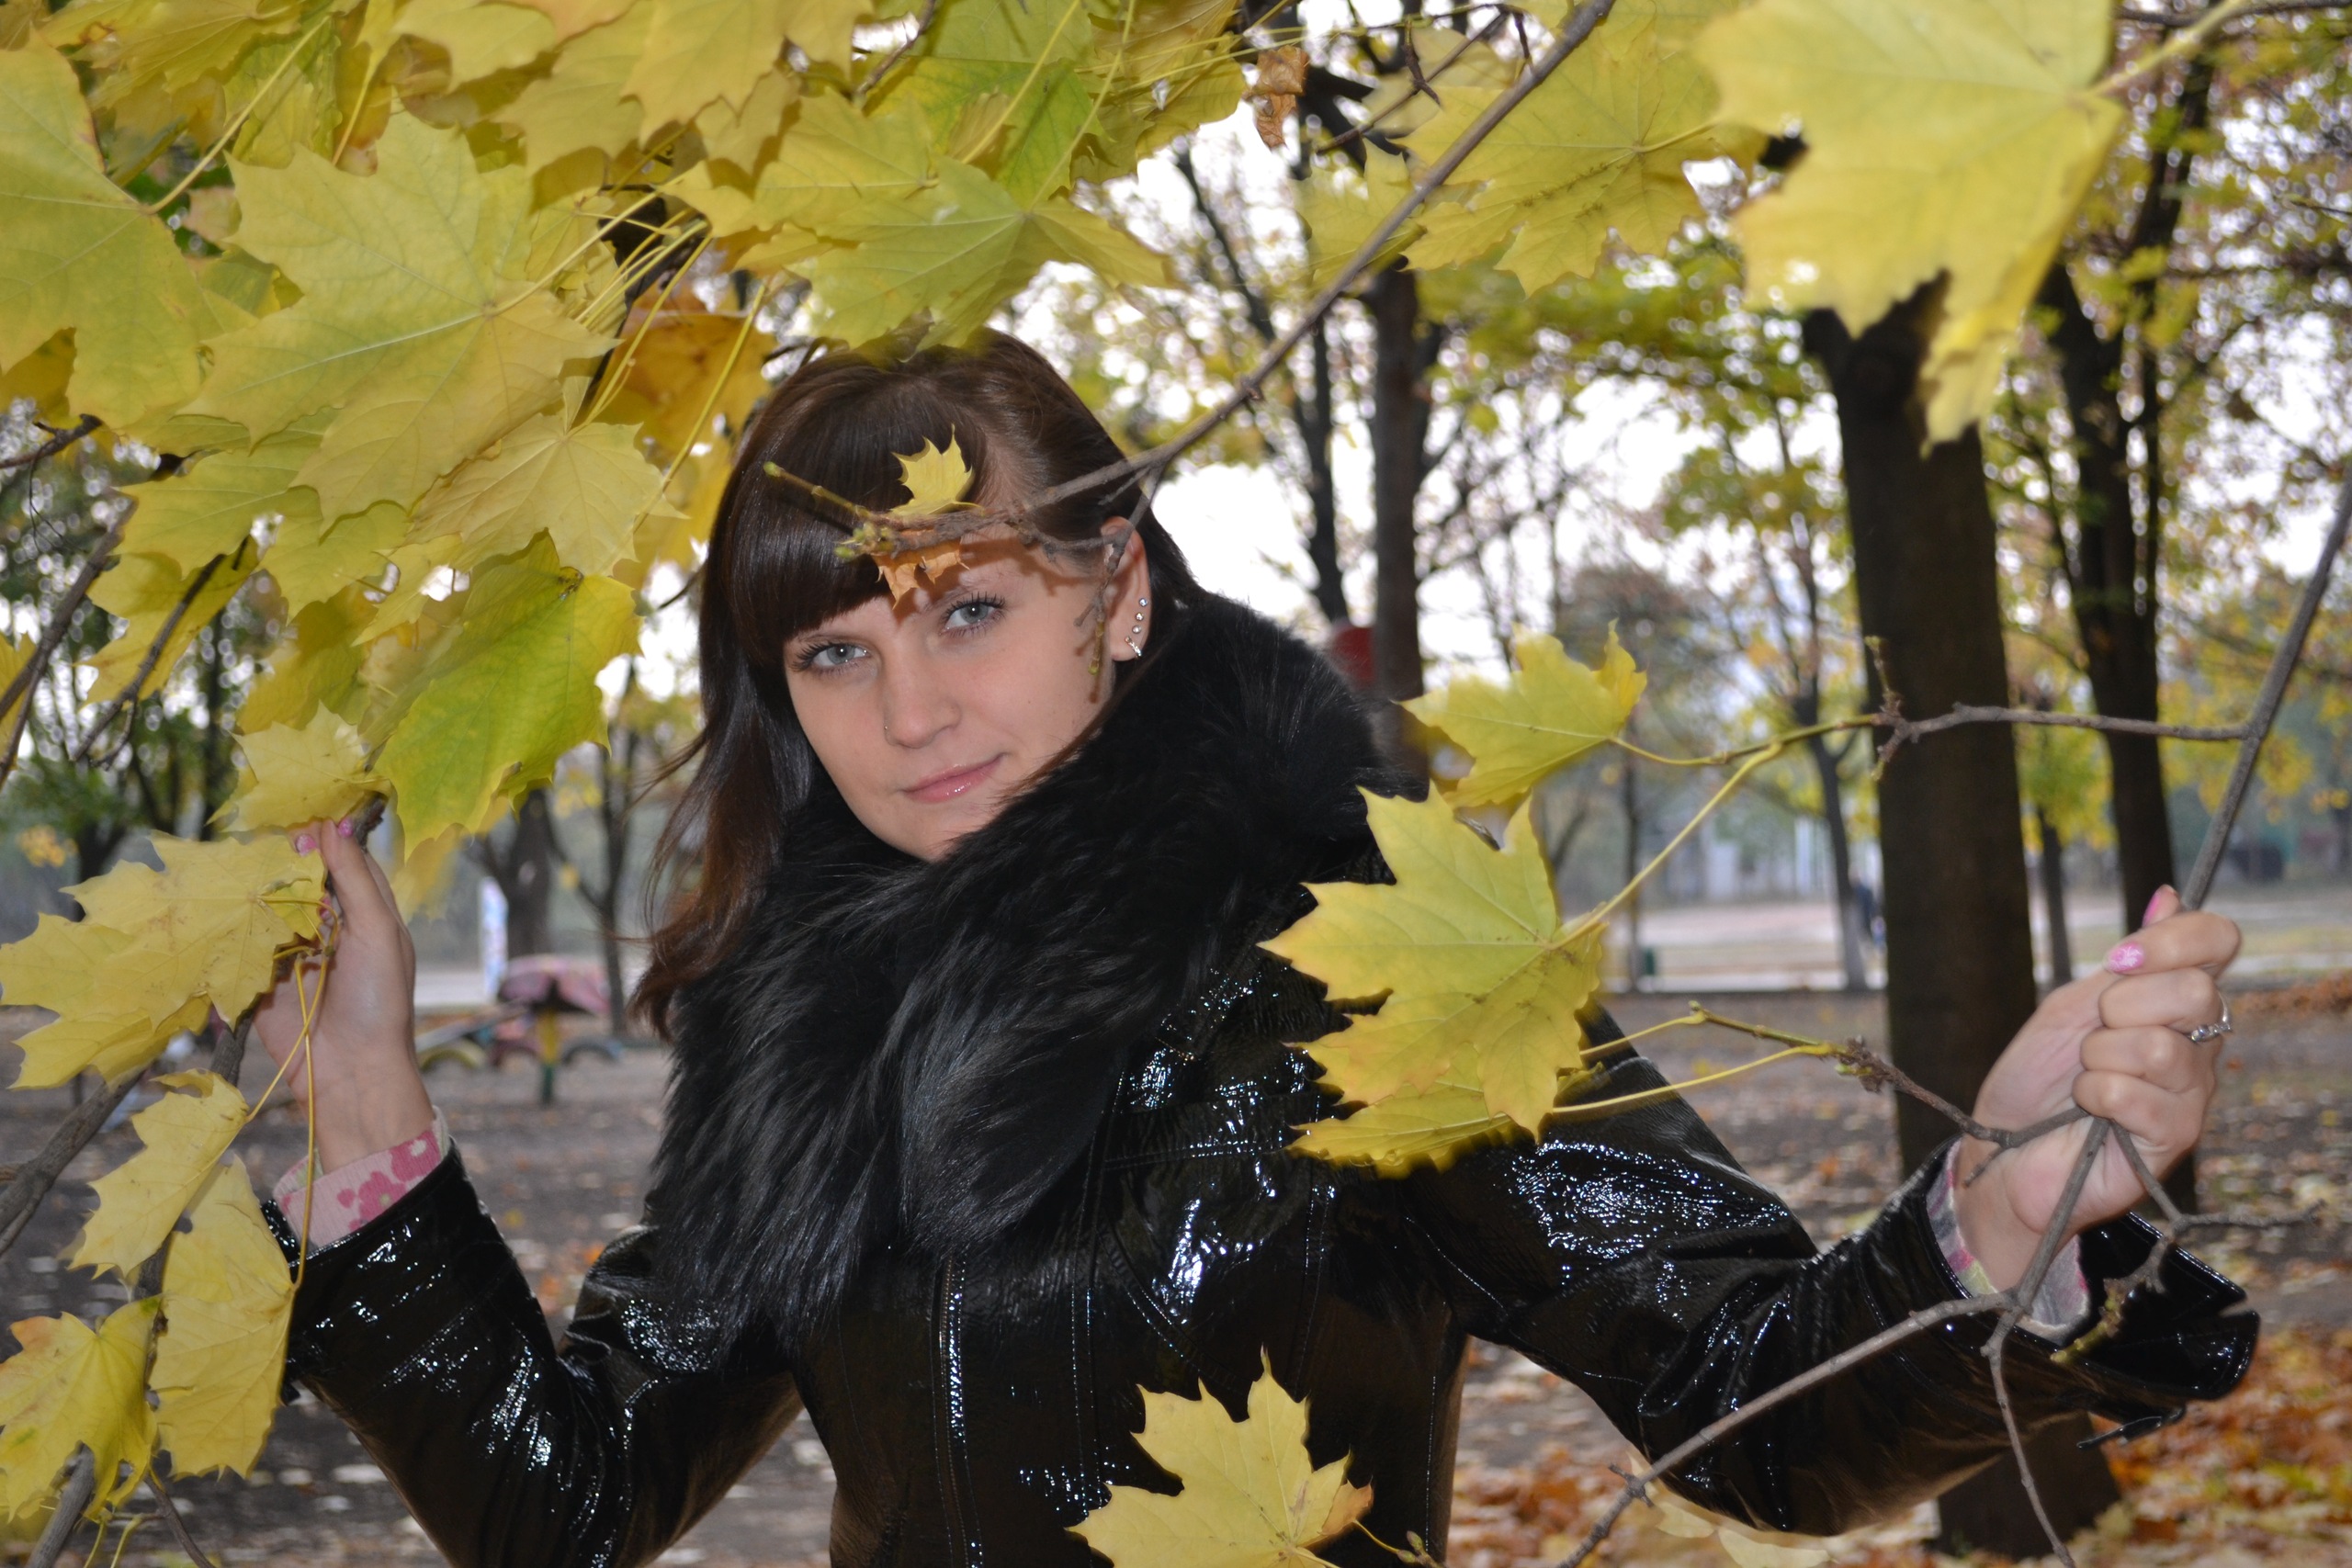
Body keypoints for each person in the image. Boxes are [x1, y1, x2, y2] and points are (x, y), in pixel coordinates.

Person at [253, 334, 2253, 1568]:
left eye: (968, 611)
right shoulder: (813, 1049)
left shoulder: (1375, 973)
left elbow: (1759, 1416)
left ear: (1116, 592)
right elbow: (565, 1502)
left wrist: (1990, 1223)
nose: (909, 710)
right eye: (834, 654)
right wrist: (369, 1105)